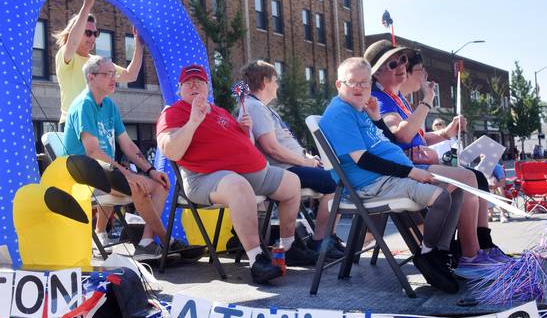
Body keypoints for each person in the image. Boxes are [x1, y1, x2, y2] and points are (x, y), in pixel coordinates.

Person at [156, 63, 317, 285]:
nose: (194, 85)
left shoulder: (220, 112)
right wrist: (193, 122)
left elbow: (245, 145)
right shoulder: (173, 112)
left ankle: (289, 247)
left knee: (292, 183)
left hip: (252, 172)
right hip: (204, 177)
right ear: (180, 88)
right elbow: (171, 150)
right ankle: (257, 260)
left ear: (207, 88)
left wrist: (244, 131)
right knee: (239, 186)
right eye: (188, 82)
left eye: (199, 81)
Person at [364, 41, 507, 275]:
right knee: (467, 179)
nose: (401, 66)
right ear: (377, 71)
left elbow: (415, 137)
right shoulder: (379, 99)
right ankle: (470, 255)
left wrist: (444, 133)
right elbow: (402, 134)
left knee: (474, 177)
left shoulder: (394, 97)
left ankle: (479, 245)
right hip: (399, 171)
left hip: (411, 164)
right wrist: (427, 99)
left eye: (403, 61)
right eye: (393, 63)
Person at [320, 58, 463, 293]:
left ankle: (441, 253)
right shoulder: (340, 113)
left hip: (391, 175)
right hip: (373, 182)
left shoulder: (360, 108)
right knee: (441, 197)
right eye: (352, 83)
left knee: (455, 189)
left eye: (364, 83)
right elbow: (363, 160)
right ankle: (427, 255)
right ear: (338, 85)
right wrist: (411, 171)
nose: (359, 88)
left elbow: (388, 140)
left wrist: (376, 117)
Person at [63, 55, 172, 261]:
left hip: (105, 173)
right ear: (91, 78)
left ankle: (146, 243)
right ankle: (166, 241)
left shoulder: (110, 105)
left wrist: (150, 170)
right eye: (107, 74)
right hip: (83, 176)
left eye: (114, 74)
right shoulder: (83, 105)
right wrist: (128, 173)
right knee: (135, 185)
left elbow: (128, 144)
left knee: (160, 185)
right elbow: (93, 152)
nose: (114, 79)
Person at [239, 60, 343, 258]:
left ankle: (328, 237)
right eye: (275, 80)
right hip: (283, 170)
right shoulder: (254, 107)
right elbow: (272, 149)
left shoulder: (262, 107)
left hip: (292, 165)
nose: (278, 85)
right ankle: (320, 241)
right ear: (264, 81)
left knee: (339, 178)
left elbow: (283, 144)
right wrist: (304, 162)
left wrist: (306, 156)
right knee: (339, 182)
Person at [54, 0, 144, 125]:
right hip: (73, 122)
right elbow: (72, 42)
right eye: (88, 33)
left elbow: (130, 75)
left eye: (95, 33)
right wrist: (87, 5)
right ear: (75, 31)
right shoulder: (65, 55)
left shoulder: (97, 62)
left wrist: (139, 44)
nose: (92, 38)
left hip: (96, 124)